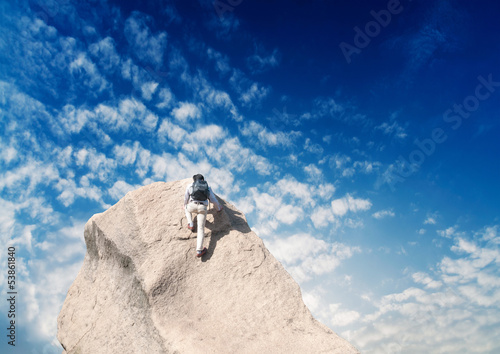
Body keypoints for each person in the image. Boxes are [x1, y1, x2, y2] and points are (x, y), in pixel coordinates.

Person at [184, 174, 223, 257]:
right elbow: (213, 199)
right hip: (202, 208)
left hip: (192, 205)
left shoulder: (190, 185)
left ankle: (190, 223)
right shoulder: (207, 187)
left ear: (194, 180)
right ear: (202, 179)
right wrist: (218, 208)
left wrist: (184, 205)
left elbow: (186, 198)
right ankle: (199, 250)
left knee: (186, 208)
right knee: (201, 229)